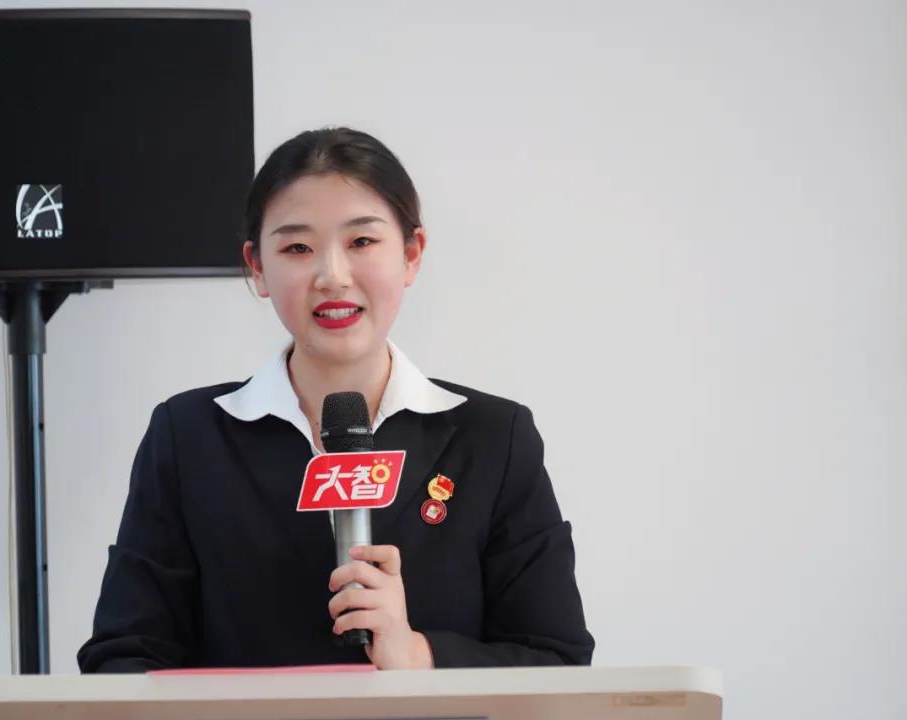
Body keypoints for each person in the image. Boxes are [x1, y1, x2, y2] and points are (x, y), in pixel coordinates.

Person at [77, 127, 594, 671]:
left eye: (361, 242)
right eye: (297, 248)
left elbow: (556, 660)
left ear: (412, 253)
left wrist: (417, 653)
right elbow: (124, 658)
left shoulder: (493, 438)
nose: (332, 276)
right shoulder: (188, 437)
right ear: (257, 266)